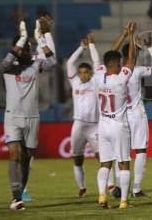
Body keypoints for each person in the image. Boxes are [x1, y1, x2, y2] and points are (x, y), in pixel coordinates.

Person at [1, 19, 56, 210]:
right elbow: (7, 61)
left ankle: (20, 191)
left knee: (26, 158)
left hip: (32, 117)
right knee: (14, 155)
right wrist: (23, 37)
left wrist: (39, 38)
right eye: (24, 48)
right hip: (12, 117)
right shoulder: (8, 67)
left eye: (28, 48)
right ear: (17, 49)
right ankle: (16, 197)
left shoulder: (35, 65)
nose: (27, 51)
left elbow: (53, 61)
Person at [110, 29, 152, 197]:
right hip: (137, 114)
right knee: (140, 150)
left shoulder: (114, 72)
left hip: (120, 115)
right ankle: (136, 189)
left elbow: (112, 53)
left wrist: (126, 35)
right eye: (137, 53)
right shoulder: (137, 70)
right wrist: (150, 48)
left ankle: (119, 186)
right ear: (133, 55)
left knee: (121, 152)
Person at [94, 21, 136, 210]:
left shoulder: (98, 75)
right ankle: (123, 201)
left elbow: (112, 54)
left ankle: (102, 196)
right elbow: (131, 59)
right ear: (117, 65)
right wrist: (132, 37)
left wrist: (123, 35)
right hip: (119, 126)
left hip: (103, 126)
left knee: (105, 163)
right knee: (124, 163)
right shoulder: (120, 79)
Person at [66, 34, 101, 198]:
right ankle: (82, 188)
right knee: (77, 159)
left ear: (91, 73)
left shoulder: (95, 82)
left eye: (86, 72)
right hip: (79, 125)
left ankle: (109, 185)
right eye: (81, 72)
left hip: (95, 125)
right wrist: (82, 47)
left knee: (102, 158)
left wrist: (92, 46)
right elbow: (69, 63)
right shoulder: (75, 82)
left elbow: (97, 63)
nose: (83, 75)